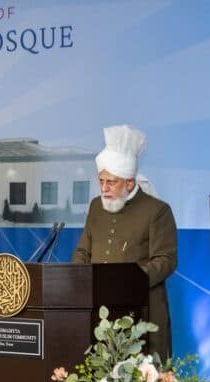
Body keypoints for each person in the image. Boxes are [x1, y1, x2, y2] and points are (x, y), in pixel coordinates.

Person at [72, 125, 177, 358]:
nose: (104, 189)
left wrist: (126, 281)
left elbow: (166, 260)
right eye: (101, 181)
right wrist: (79, 278)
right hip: (99, 310)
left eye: (112, 182)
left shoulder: (157, 210)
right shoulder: (96, 207)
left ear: (130, 183)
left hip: (143, 310)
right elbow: (82, 251)